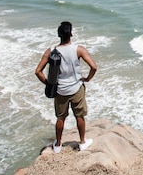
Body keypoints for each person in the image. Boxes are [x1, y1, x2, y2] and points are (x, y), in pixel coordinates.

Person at [35, 21, 97, 153]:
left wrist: (48, 83)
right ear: (71, 34)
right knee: (79, 116)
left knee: (60, 117)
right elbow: (94, 67)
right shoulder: (78, 49)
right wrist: (87, 79)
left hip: (60, 90)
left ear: (59, 35)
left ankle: (57, 144)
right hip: (76, 88)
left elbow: (37, 71)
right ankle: (82, 142)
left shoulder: (51, 51)